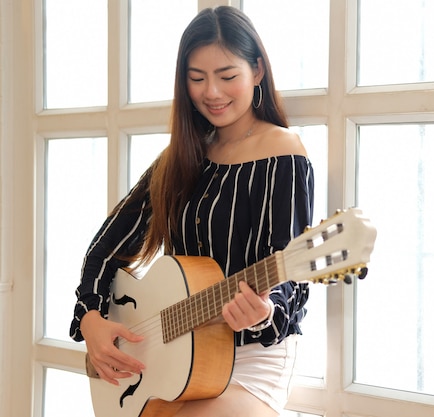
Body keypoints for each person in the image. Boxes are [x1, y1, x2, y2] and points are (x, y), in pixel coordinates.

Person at [70, 6, 314, 417]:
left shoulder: (284, 152)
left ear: (257, 71)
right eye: (196, 78)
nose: (212, 93)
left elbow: (293, 275)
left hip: (251, 357)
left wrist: (265, 311)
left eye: (227, 76)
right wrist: (91, 317)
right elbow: (106, 246)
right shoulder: (182, 155)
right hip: (171, 353)